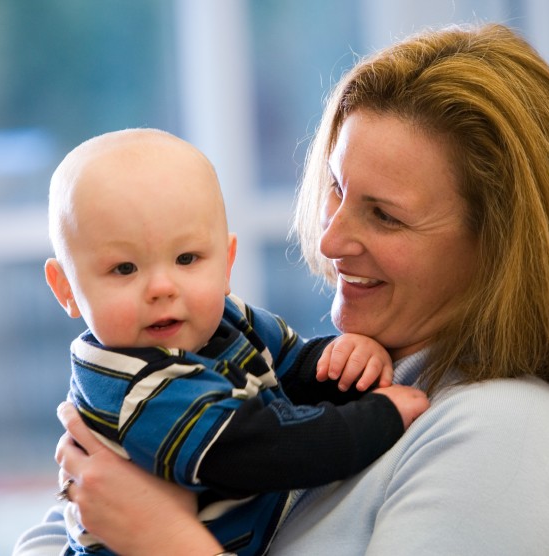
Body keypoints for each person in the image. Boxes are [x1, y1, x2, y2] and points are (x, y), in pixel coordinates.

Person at [14, 22, 549, 555]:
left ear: (500, 246)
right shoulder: (349, 373)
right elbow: (55, 532)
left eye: (385, 215)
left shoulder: (506, 435)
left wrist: (163, 537)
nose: (332, 239)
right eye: (336, 189)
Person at [37, 128, 429, 555]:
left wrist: (342, 360)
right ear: (66, 290)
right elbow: (263, 449)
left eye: (187, 259)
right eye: (124, 269)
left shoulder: (222, 321)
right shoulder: (135, 386)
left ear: (226, 264)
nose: (162, 287)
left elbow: (291, 369)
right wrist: (380, 417)